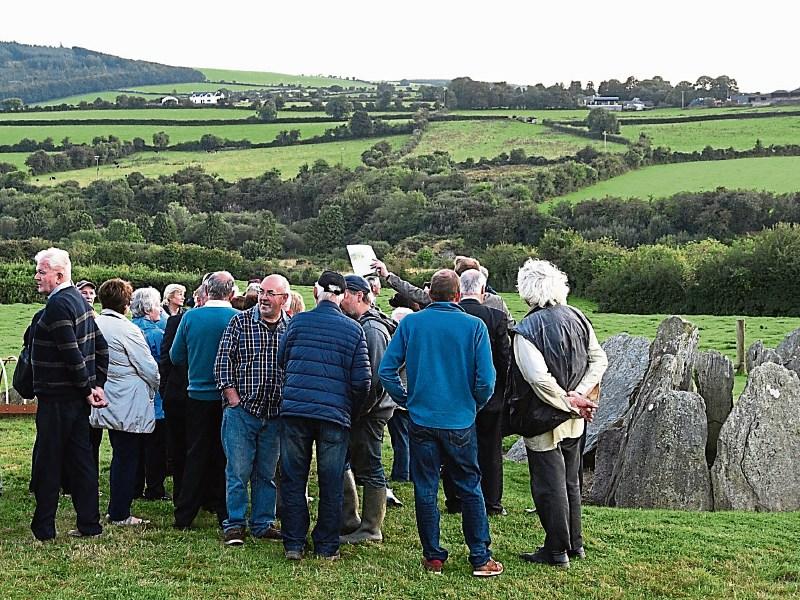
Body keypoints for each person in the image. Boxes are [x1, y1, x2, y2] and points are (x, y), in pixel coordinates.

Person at [379, 269, 503, 577]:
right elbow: (487, 380)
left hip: (421, 418)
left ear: (429, 294)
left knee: (425, 487)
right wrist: (473, 404)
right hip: (460, 419)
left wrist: (405, 398)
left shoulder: (411, 324)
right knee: (470, 487)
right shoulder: (474, 326)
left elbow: (386, 370)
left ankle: (433, 556)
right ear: (458, 295)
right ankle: (479, 556)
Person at [512, 259, 607, 569]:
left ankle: (556, 551)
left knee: (548, 486)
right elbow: (599, 360)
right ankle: (574, 544)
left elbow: (538, 379)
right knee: (570, 483)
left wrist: (570, 401)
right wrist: (580, 396)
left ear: (526, 291)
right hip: (576, 419)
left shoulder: (525, 330)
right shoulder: (578, 316)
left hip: (544, 419)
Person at [277, 271, 371, 561]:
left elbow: (283, 359)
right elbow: (363, 382)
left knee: (293, 478)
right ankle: (326, 546)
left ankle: (294, 543)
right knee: (331, 481)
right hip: (334, 415)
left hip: (295, 411)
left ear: (316, 291)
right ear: (343, 296)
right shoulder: (354, 330)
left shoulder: (297, 322)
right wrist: (350, 411)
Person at [30, 248, 108, 541]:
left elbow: (71, 353)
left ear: (58, 275)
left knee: (49, 461)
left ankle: (45, 527)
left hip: (59, 397)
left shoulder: (58, 305)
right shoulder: (80, 301)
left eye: (41, 271)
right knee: (81, 460)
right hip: (76, 397)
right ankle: (89, 524)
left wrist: (88, 387)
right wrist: (96, 384)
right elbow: (101, 347)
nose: (36, 277)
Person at [214, 274, 291, 546]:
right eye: (262, 292)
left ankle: (262, 522)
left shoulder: (290, 327)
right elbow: (222, 362)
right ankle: (234, 524)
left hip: (275, 414)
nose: (264, 298)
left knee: (267, 473)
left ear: (284, 299)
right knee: (237, 471)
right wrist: (232, 397)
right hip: (242, 412)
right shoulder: (240, 322)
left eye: (271, 293)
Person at [170, 271, 238, 530]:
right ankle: (223, 511)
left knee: (195, 453)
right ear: (231, 293)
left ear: (206, 291)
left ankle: (185, 514)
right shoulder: (237, 319)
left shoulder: (190, 317)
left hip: (196, 393)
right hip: (227, 397)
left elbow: (176, 356)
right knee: (224, 455)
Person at [92, 279, 160, 526]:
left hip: (102, 394)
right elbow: (148, 367)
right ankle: (120, 511)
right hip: (127, 399)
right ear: (127, 303)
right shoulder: (127, 330)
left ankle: (112, 507)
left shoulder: (94, 324)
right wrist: (156, 383)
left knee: (114, 453)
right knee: (126, 455)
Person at [442, 269, 510, 516]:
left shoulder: (449, 317)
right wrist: (502, 388)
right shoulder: (496, 318)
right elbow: (504, 359)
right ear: (483, 290)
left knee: (454, 448)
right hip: (490, 395)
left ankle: (456, 499)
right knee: (490, 449)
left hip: (455, 394)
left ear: (459, 291)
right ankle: (491, 502)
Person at [339, 275, 396, 544]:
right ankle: (349, 519)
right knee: (345, 460)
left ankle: (371, 528)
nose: (340, 299)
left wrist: (357, 412)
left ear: (359, 296)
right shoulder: (362, 324)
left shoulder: (372, 330)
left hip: (370, 412)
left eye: (345, 294)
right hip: (363, 410)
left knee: (371, 465)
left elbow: (374, 380)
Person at [371, 256, 512, 318]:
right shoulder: (496, 302)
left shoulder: (447, 297)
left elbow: (412, 292)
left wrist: (387, 275)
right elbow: (511, 327)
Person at [131, 287, 169, 501]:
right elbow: (162, 366)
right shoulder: (155, 334)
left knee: (134, 447)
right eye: (157, 305)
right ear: (148, 308)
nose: (160, 309)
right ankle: (154, 488)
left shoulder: (129, 328)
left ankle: (134, 486)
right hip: (155, 399)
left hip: (132, 399)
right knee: (155, 448)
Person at [385, 307, 414, 508]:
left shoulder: (402, 342)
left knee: (400, 438)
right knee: (407, 437)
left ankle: (402, 472)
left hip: (400, 399)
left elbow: (394, 367)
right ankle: (409, 470)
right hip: (412, 396)